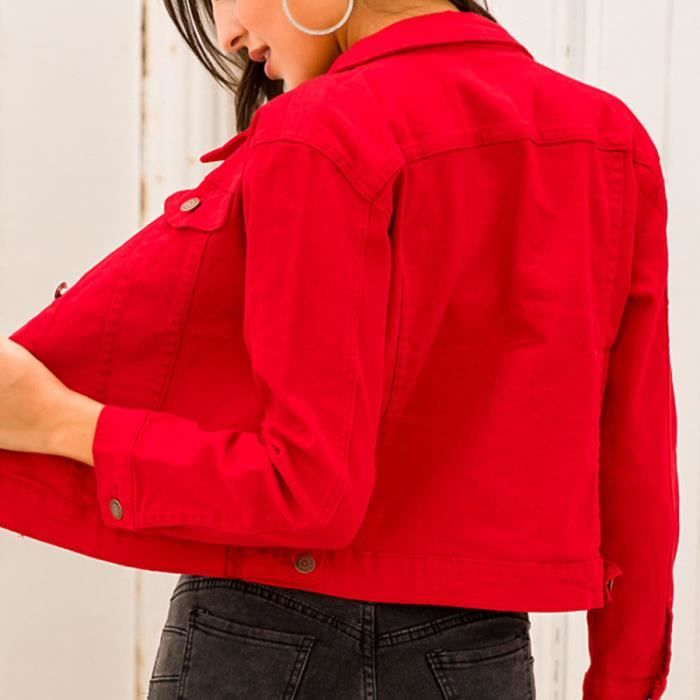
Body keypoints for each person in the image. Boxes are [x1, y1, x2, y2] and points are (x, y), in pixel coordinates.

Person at [0, 1, 678, 698]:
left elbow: (307, 490)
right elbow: (638, 459)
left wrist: (59, 422)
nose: (228, 35)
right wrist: (625, 681)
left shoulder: (324, 129)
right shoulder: (608, 138)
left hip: (265, 639)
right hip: (478, 656)